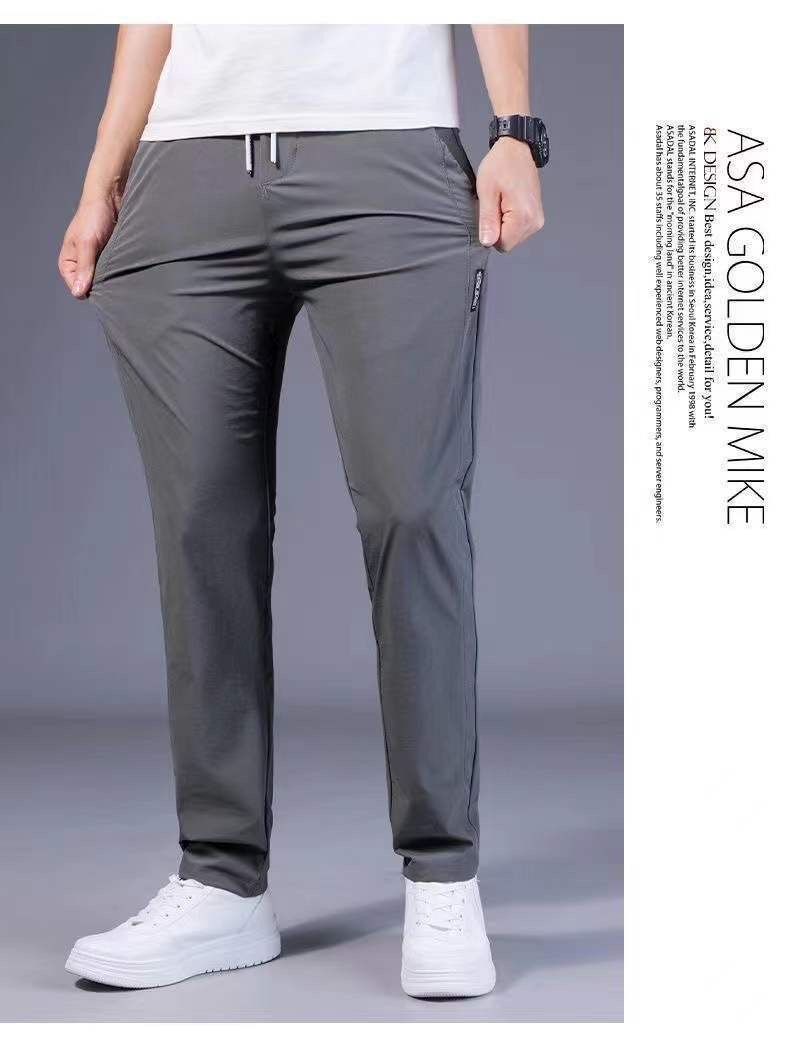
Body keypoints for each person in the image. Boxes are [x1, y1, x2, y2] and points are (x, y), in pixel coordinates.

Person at [58, 24, 546, 999]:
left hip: (385, 151)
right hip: (184, 166)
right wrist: (103, 175)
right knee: (200, 526)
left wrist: (514, 130)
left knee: (412, 507)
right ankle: (221, 879)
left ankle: (442, 875)